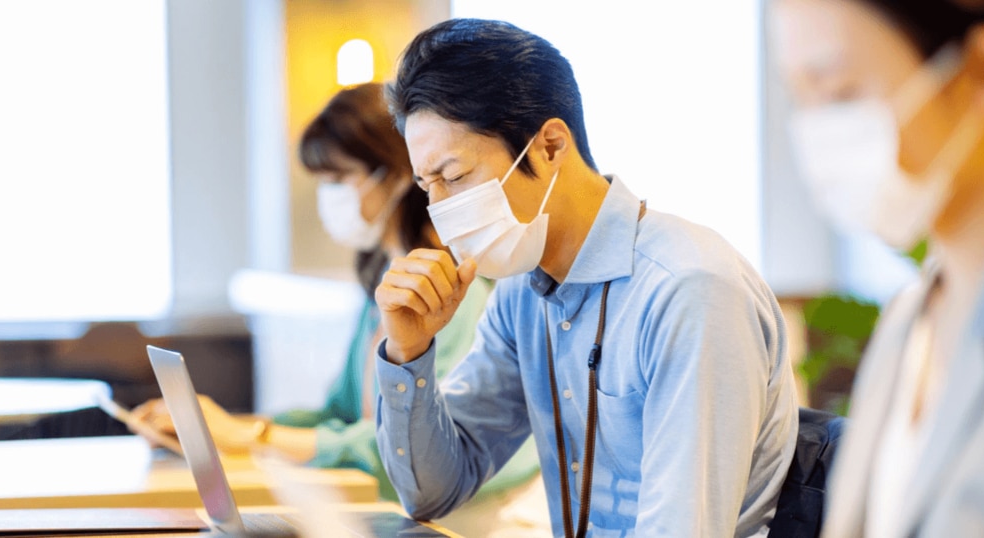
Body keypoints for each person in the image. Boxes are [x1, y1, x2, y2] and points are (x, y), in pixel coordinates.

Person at [372, 18, 799, 537]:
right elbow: (432, 492)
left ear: (550, 146)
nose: (441, 212)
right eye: (428, 187)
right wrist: (408, 351)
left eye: (455, 177)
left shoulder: (689, 289)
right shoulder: (521, 294)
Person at [131, 82, 542, 535]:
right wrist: (226, 427)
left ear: (399, 174)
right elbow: (340, 415)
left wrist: (255, 437)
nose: (328, 196)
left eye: (338, 179)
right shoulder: (382, 291)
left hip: (460, 524)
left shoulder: (451, 295)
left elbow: (416, 447)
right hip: (397, 513)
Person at [770, 0, 984, 535]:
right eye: (799, 98)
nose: (816, 136)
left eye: (839, 93)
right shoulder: (910, 320)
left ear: (983, 74)